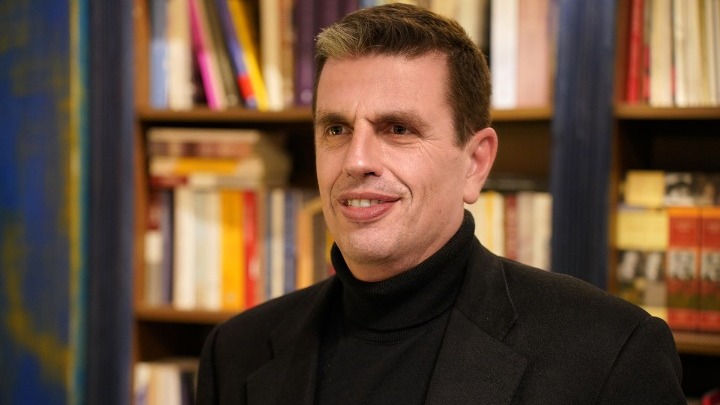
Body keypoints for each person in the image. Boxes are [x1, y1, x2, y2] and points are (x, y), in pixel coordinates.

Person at [196, 3, 684, 404]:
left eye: (398, 129)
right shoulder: (235, 352)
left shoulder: (609, 354)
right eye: (336, 129)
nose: (356, 160)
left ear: (475, 163)